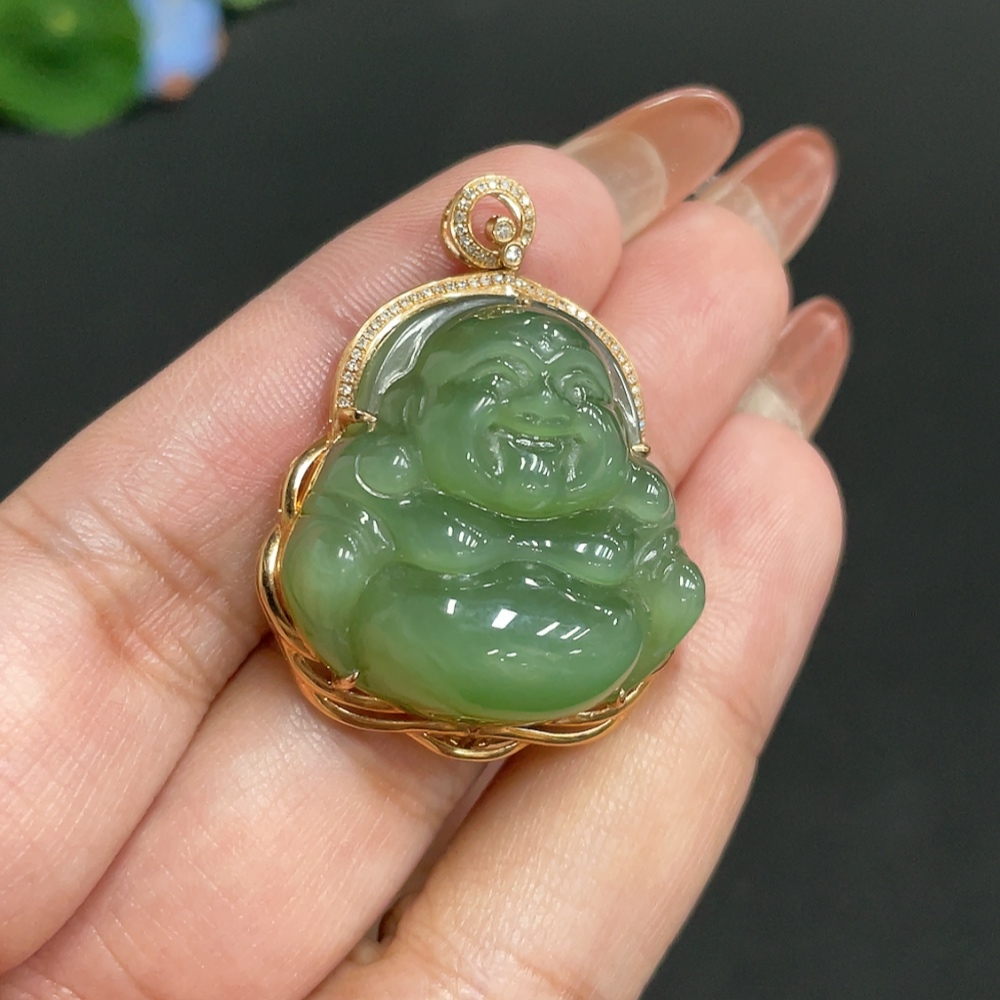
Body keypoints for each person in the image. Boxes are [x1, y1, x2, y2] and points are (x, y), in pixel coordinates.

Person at [0, 86, 848, 998]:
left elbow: (664, 581)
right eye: (501, 382)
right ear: (413, 410)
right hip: (419, 627)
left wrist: (645, 579)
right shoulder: (383, 478)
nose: (545, 411)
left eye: (579, 398)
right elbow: (325, 565)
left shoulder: (617, 504)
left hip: (582, 643)